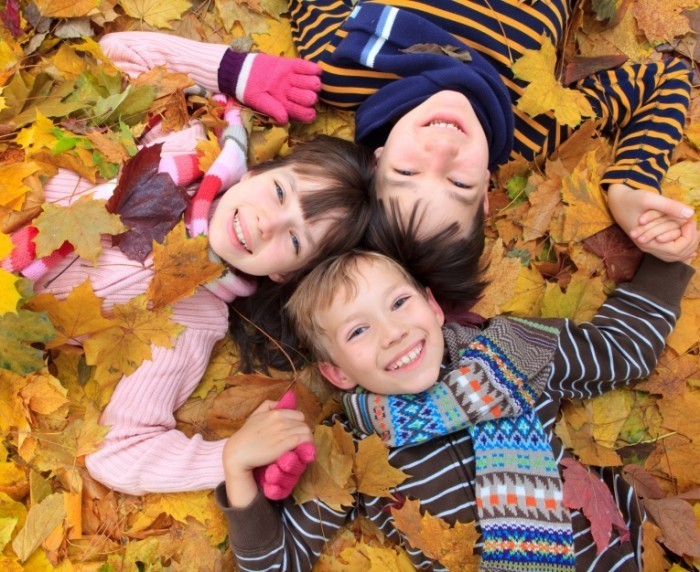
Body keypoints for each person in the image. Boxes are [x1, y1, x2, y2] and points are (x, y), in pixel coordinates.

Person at [1, 32, 374, 495]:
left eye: (296, 239)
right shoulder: (182, 145)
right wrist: (236, 71)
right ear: (256, 172)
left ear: (285, 274)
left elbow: (119, 452)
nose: (267, 223)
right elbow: (121, 50)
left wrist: (229, 457)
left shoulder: (191, 316)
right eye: (280, 193)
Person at [216, 245, 694, 570]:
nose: (394, 332)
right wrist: (237, 471)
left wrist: (668, 261)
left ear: (433, 307)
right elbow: (280, 562)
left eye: (399, 303)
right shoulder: (350, 448)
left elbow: (621, 351)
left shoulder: (515, 349)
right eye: (357, 331)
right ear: (337, 373)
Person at [287, 0, 697, 261]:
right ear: (485, 190)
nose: (442, 151)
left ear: (377, 161)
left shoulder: (343, 70)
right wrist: (628, 186)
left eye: (407, 174)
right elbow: (665, 79)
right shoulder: (532, 130)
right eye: (459, 183)